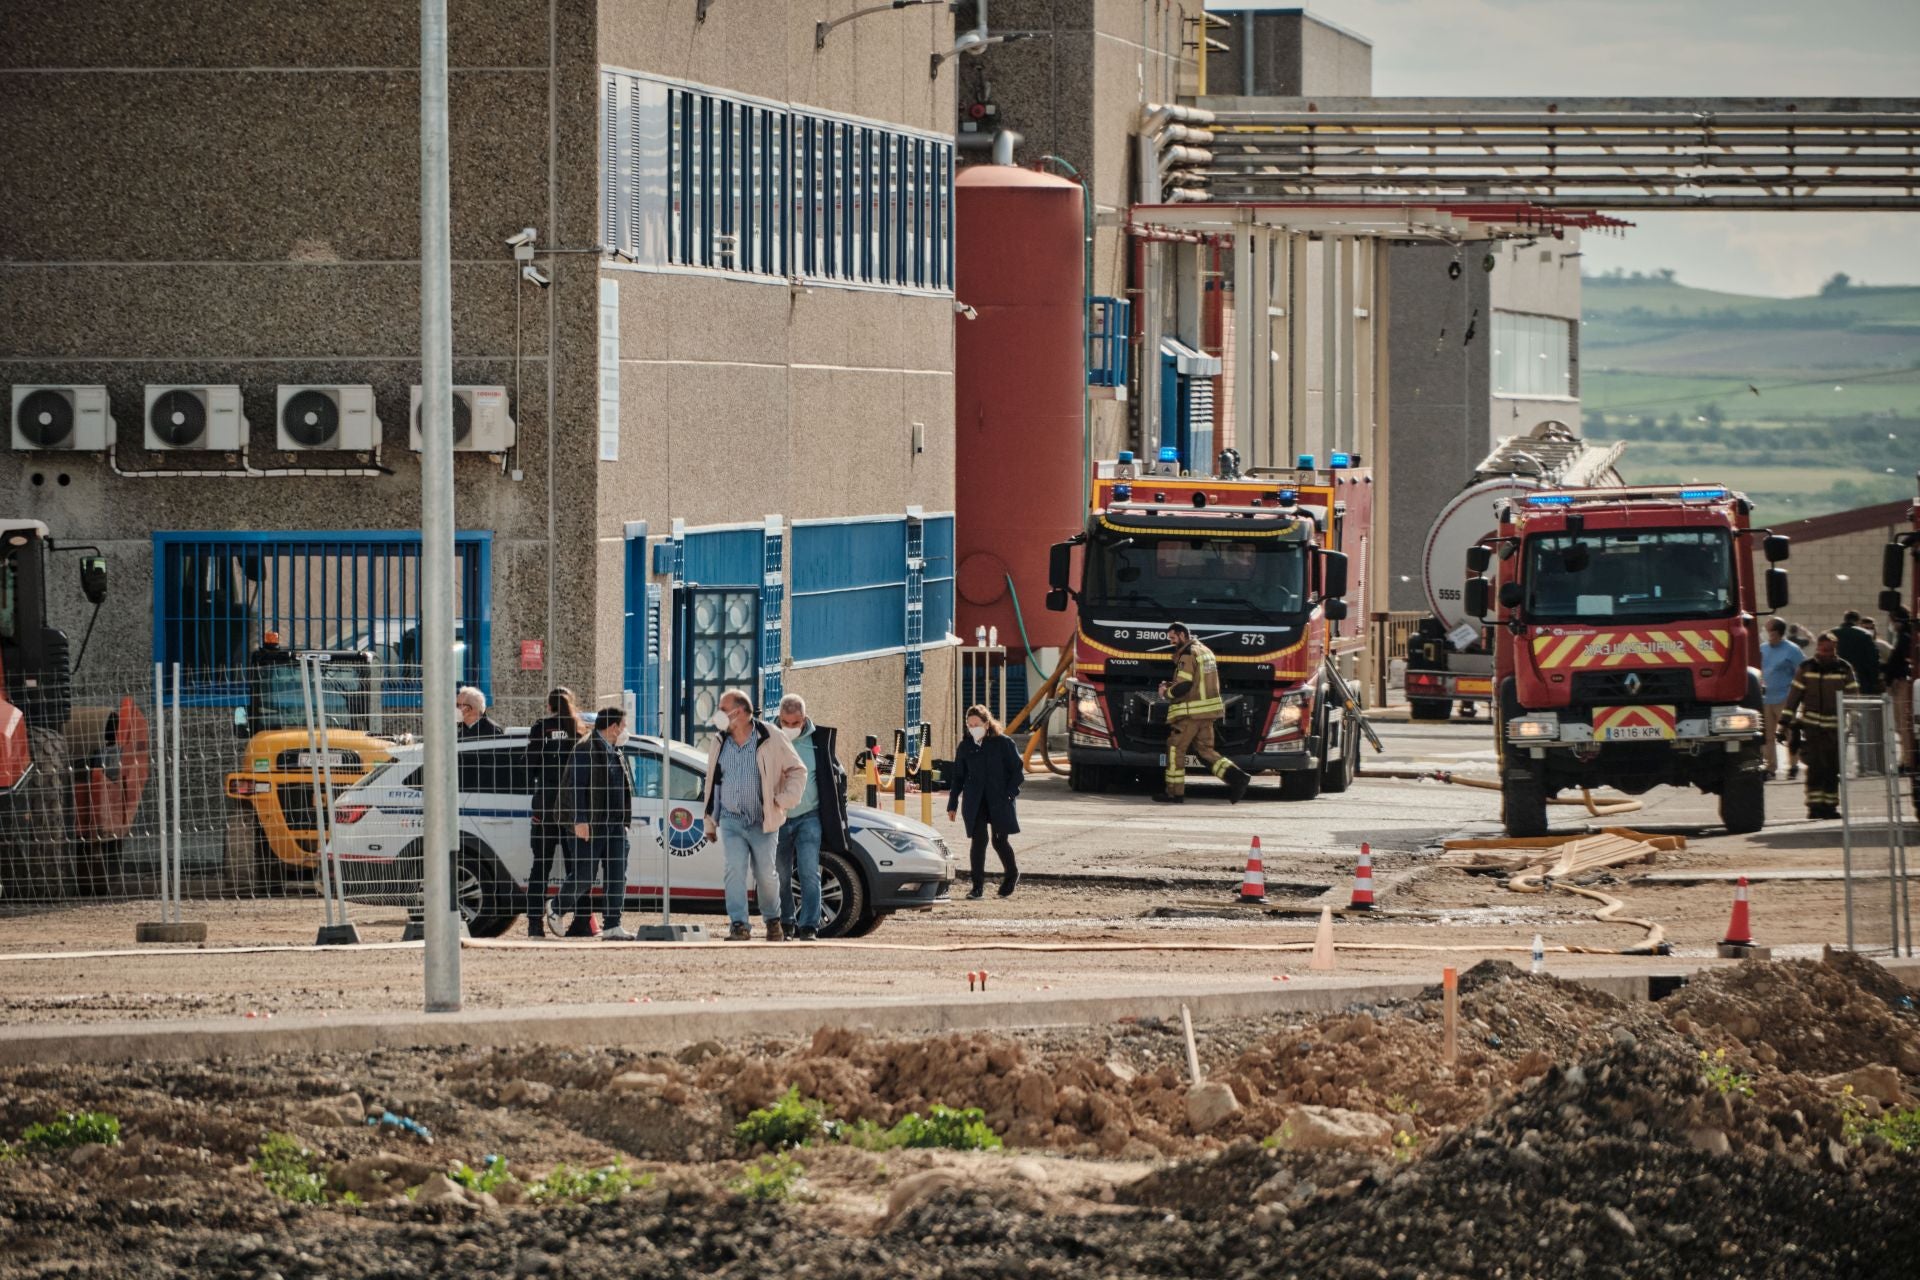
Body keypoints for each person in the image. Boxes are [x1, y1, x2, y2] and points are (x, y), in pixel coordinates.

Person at [703, 688, 807, 942]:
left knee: (766, 874)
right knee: (734, 869)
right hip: (731, 819)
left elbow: (797, 770)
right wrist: (710, 822)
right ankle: (739, 924)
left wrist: (783, 800)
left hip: (763, 820)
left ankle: (773, 920)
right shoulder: (719, 740)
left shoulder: (771, 736)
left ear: (739, 712)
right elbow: (712, 782)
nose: (719, 713)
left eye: (723, 709)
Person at [771, 694, 849, 941]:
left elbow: (837, 775)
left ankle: (809, 926)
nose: (789, 727)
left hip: (809, 817)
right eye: (785, 722)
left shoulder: (819, 741)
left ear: (804, 719)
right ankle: (786, 922)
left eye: (795, 723)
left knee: (809, 871)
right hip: (778, 817)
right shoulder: (768, 738)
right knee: (781, 874)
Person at [1152, 621, 1252, 804]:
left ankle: (1174, 793)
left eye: (1173, 638)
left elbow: (1184, 685)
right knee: (1205, 751)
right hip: (1207, 712)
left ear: (1182, 635)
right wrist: (1172, 684)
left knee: (1175, 749)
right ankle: (1237, 777)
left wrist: (1165, 692)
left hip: (1190, 714)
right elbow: (1198, 682)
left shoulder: (1188, 654)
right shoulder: (1205, 651)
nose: (1171, 642)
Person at [561, 705, 635, 940]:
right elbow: (575, 787)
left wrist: (624, 820)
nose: (625, 731)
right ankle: (557, 906)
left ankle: (613, 925)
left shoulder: (615, 750)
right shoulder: (585, 748)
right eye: (624, 726)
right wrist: (580, 820)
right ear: (613, 727)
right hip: (592, 825)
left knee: (617, 876)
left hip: (614, 825)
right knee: (585, 875)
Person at [524, 687, 586, 938]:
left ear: (549, 706)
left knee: (540, 867)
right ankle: (582, 921)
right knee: (578, 868)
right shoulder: (580, 730)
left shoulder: (541, 728)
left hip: (546, 807)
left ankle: (534, 924)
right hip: (574, 808)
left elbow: (529, 765)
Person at [1779, 632, 1859, 820]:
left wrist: (1855, 721)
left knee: (1832, 769)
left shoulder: (1843, 668)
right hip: (1812, 728)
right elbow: (1794, 697)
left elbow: (1853, 697)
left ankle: (1830, 806)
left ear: (1835, 649)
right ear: (1818, 648)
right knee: (1815, 767)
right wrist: (1784, 723)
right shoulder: (1806, 668)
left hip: (1835, 729)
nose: (1827, 654)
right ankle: (1814, 806)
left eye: (1830, 650)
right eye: (1824, 649)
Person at [945, 704, 1022, 899]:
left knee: (999, 841)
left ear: (987, 724)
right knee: (979, 841)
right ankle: (977, 887)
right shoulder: (965, 746)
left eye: (977, 724)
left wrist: (1010, 794)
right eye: (970, 725)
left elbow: (1017, 772)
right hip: (975, 801)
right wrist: (952, 803)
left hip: (999, 800)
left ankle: (1011, 875)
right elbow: (958, 777)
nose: (973, 729)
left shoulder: (1003, 743)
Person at [1759, 618, 1806, 781]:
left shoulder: (1792, 650)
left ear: (1776, 632)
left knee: (1789, 733)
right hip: (1765, 699)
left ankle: (1793, 765)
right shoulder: (1762, 649)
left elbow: (1802, 672)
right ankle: (1770, 767)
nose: (1764, 632)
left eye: (1767, 629)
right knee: (1767, 735)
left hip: (1785, 699)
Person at [1886, 604, 1916, 775]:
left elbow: (1898, 661)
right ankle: (1906, 758)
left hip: (1901, 682)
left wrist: (1889, 678)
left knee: (1903, 724)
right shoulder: (1905, 636)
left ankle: (1908, 760)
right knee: (1901, 724)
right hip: (1900, 681)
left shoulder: (1905, 637)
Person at [1835, 611, 1883, 697]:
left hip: (1836, 678)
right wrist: (1874, 681)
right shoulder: (1865, 634)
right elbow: (1873, 659)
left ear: (1845, 619)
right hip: (1861, 679)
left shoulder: (1831, 633)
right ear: (1857, 621)